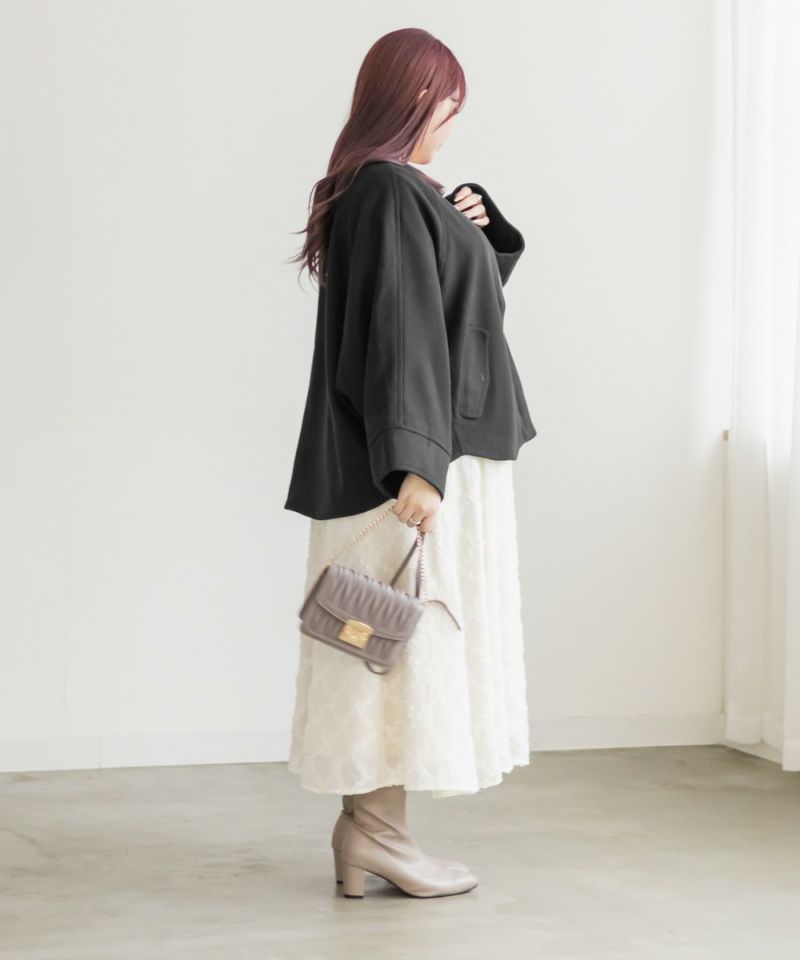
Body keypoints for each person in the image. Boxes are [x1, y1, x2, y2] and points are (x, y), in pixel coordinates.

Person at [283, 27, 538, 899]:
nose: (452, 126)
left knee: (381, 647)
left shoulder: (390, 190)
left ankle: (372, 834)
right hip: (411, 466)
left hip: (409, 455)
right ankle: (377, 835)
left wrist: (479, 234)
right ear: (415, 100)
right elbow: (402, 334)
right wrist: (416, 467)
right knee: (392, 648)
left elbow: (454, 312)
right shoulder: (390, 190)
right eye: (448, 108)